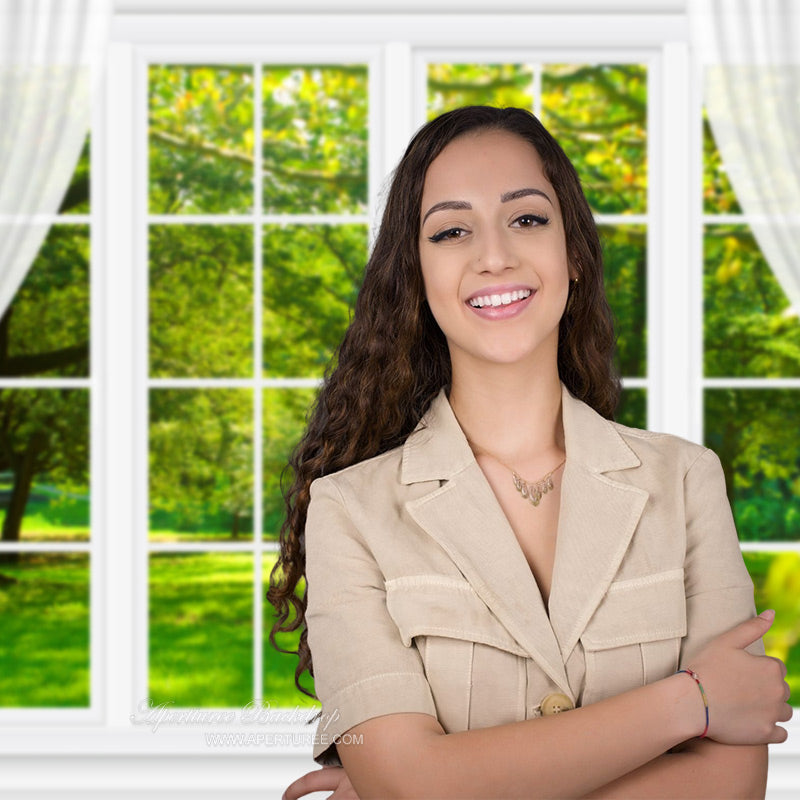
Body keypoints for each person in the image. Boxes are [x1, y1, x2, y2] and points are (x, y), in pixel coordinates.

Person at [268, 105, 792, 799]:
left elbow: (730, 786)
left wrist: (436, 784)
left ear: (572, 251)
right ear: (416, 277)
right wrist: (690, 702)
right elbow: (409, 784)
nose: (494, 255)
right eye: (452, 231)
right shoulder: (349, 511)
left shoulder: (688, 482)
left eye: (527, 219)